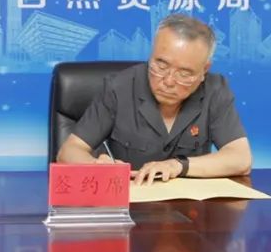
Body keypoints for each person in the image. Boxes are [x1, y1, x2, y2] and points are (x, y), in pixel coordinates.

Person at [57, 13, 252, 184]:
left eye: (184, 73)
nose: (168, 81)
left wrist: (178, 166)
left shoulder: (215, 89)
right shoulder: (119, 87)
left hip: (191, 207)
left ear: (204, 70)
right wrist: (96, 165)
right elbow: (69, 152)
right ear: (151, 55)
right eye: (161, 65)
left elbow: (241, 159)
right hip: (132, 204)